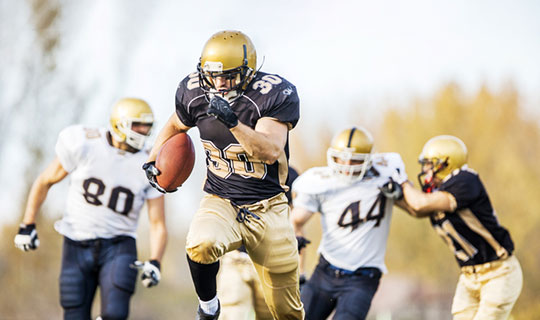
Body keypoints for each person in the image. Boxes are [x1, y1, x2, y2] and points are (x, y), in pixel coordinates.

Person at [142, 30, 304, 319]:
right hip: (222, 198)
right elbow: (176, 124)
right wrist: (155, 157)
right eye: (212, 76)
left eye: (228, 76)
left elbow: (268, 151)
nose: (219, 83)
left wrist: (233, 123)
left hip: (268, 206)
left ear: (248, 72)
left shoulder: (273, 94)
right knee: (200, 244)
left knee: (286, 312)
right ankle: (208, 306)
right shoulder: (194, 92)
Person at [14, 98, 168, 320]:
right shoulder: (84, 143)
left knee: (115, 314)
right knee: (73, 313)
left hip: (119, 245)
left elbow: (158, 223)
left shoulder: (151, 163)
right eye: (137, 125)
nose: (144, 131)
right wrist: (27, 223)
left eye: (147, 126)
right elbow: (45, 180)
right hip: (77, 241)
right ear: (119, 124)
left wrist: (156, 261)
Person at [291, 126, 410, 320]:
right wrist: (299, 271)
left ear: (369, 159)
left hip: (363, 277)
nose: (346, 164)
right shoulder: (320, 182)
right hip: (325, 271)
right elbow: (296, 221)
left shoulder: (386, 173)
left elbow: (417, 208)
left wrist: (401, 191)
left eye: (354, 159)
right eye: (341, 158)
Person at [400, 135, 522, 320]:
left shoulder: (465, 180)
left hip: (498, 273)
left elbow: (420, 204)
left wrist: (401, 181)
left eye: (429, 164)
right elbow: (416, 210)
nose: (425, 170)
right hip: (469, 277)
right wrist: (394, 194)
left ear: (445, 163)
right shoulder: (439, 192)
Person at [217, 167, 301, 320]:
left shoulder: (288, 175)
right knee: (233, 313)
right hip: (236, 259)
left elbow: (297, 221)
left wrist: (299, 270)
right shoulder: (235, 168)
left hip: (270, 262)